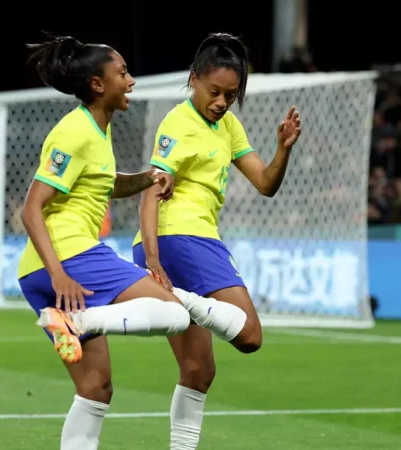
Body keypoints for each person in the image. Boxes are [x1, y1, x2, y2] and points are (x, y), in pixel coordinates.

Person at [19, 34, 194, 449]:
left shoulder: (96, 130)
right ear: (98, 85)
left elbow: (103, 185)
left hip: (39, 272)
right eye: (122, 73)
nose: (131, 81)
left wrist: (149, 177)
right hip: (68, 258)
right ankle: (80, 321)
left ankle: (72, 320)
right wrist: (60, 275)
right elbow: (32, 208)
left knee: (95, 387)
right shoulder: (75, 132)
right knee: (174, 313)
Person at [132, 33, 302, 449]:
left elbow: (265, 182)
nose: (222, 101)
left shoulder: (227, 124)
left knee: (198, 372)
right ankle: (175, 298)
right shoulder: (177, 123)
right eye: (215, 91)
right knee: (249, 335)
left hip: (185, 242)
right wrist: (152, 257)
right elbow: (151, 189)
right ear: (193, 80)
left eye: (231, 94)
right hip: (180, 238)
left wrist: (282, 149)